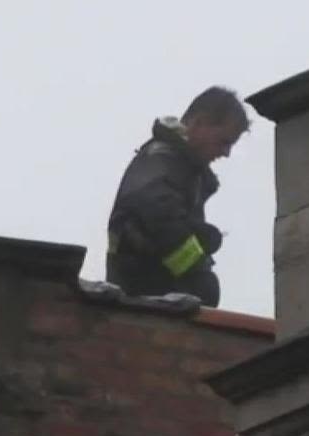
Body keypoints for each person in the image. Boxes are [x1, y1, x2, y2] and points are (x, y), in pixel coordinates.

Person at [105, 86, 250, 307]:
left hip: (149, 300)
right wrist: (196, 271)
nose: (226, 153)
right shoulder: (162, 160)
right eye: (224, 142)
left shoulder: (183, 170)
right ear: (198, 123)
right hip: (140, 298)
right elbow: (158, 214)